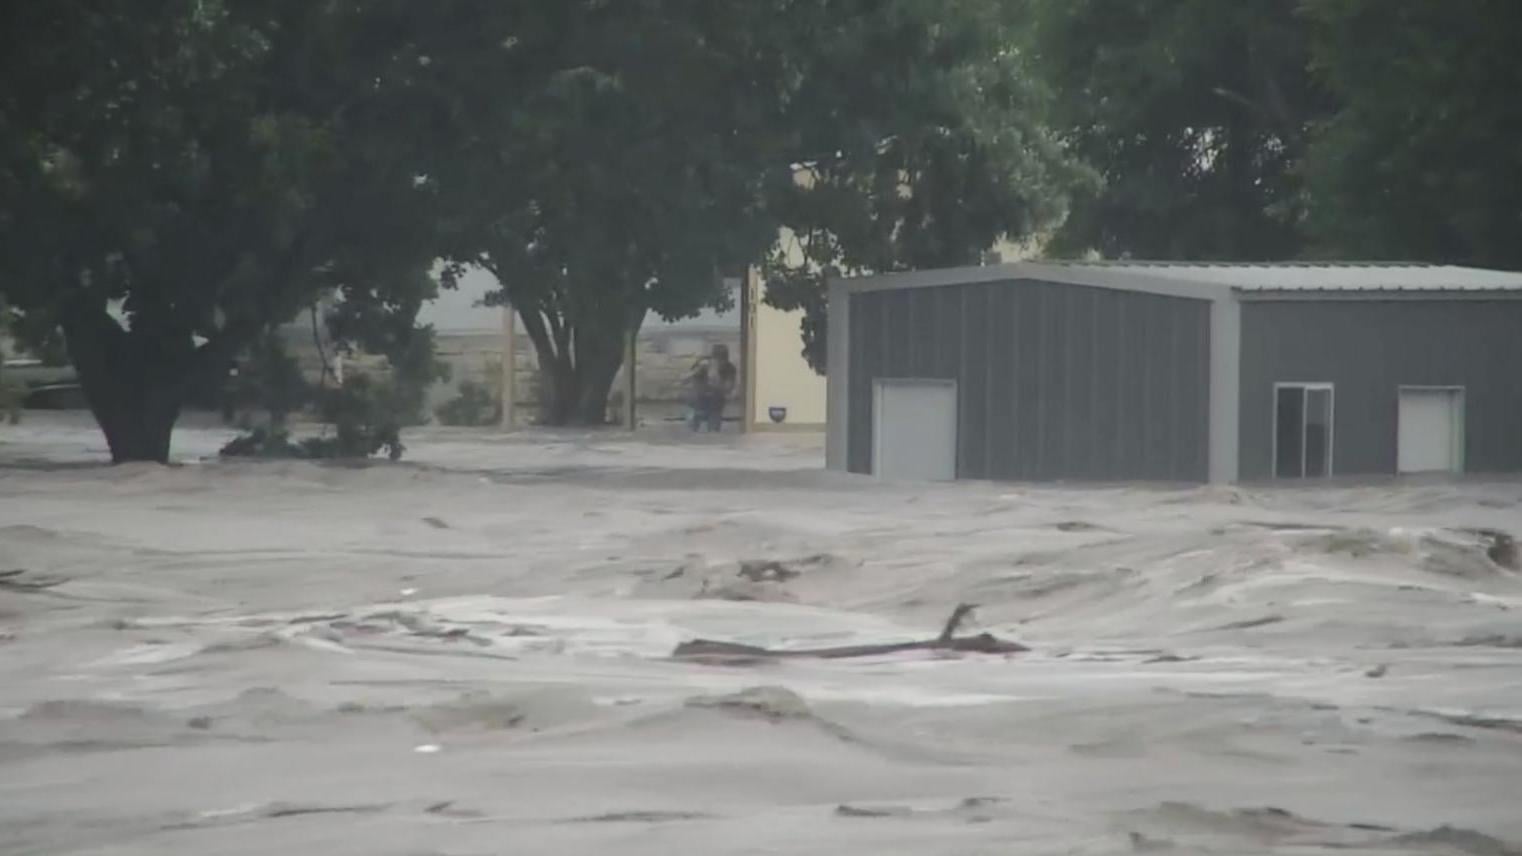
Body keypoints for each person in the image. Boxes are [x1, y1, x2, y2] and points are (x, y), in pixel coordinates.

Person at [686, 344, 737, 432]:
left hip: (716, 402)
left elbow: (728, 388)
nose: (720, 363)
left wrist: (716, 381)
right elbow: (686, 379)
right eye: (717, 360)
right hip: (697, 400)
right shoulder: (703, 364)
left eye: (722, 360)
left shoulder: (730, 368)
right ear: (712, 358)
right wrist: (697, 371)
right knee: (691, 428)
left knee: (714, 429)